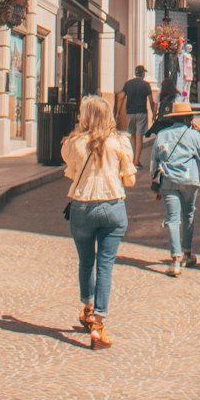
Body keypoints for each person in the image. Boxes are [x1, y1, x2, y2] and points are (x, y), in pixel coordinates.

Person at [61, 95, 136, 348]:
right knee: (105, 266)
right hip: (113, 206)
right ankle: (99, 325)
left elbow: (71, 173)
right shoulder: (119, 142)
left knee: (86, 262)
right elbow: (130, 180)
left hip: (82, 207)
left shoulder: (73, 143)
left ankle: (88, 308)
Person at [150, 99, 200, 275]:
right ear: (189, 118)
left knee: (173, 219)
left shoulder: (162, 134)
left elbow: (155, 161)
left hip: (168, 180)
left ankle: (175, 261)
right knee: (189, 214)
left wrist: (154, 184)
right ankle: (187, 253)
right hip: (190, 179)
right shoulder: (193, 135)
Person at [121, 66, 154, 168]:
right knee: (139, 137)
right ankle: (136, 161)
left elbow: (121, 98)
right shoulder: (146, 85)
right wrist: (153, 113)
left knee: (132, 135)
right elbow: (151, 101)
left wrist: (117, 113)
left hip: (130, 112)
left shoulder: (128, 84)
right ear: (143, 74)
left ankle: (133, 159)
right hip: (141, 112)